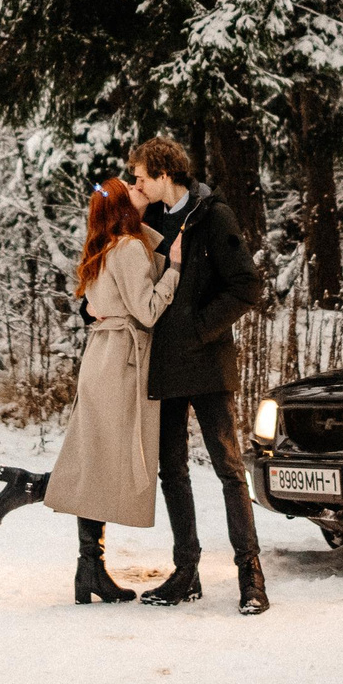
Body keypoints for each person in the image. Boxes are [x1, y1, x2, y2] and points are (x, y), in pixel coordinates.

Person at [0, 175, 182, 603]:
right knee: (104, 465)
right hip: (120, 365)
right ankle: (37, 490)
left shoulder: (105, 248)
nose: (137, 186)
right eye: (129, 187)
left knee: (96, 460)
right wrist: (177, 270)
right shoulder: (128, 248)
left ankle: (88, 568)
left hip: (102, 359)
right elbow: (148, 311)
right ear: (121, 207)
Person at [129, 136, 269, 616]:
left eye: (142, 176)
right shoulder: (148, 220)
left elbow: (248, 286)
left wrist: (200, 326)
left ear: (165, 174)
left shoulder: (215, 216)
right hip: (163, 365)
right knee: (173, 472)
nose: (137, 183)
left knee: (230, 470)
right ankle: (186, 572)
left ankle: (251, 576)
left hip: (207, 364)